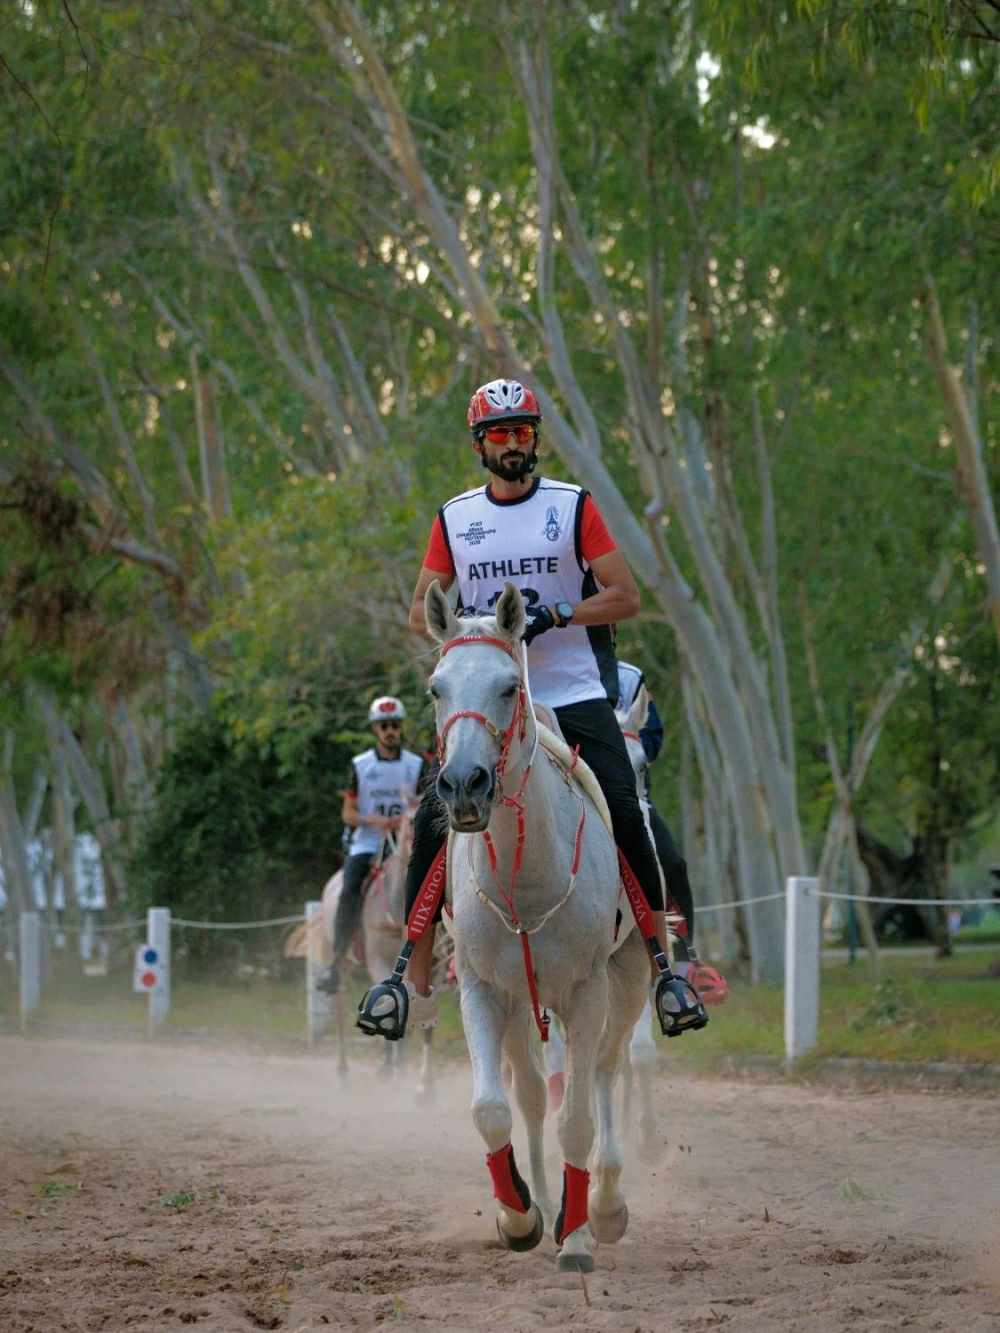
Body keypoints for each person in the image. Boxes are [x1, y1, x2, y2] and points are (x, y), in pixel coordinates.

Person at [357, 377, 708, 1039]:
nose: (513, 444)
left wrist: (561, 612)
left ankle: (665, 969)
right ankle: (411, 976)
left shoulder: (574, 507)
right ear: (480, 444)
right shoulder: (455, 518)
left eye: (522, 431)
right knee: (434, 817)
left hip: (569, 690)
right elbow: (417, 610)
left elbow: (625, 595)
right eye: (499, 434)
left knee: (628, 812)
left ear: (535, 438)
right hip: (485, 700)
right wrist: (469, 630)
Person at [617, 660, 727, 1004]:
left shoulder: (629, 676)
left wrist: (624, 745)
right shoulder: (542, 663)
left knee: (673, 865)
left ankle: (682, 965)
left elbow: (652, 734)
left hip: (630, 795)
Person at [317, 696, 427, 995]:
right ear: (375, 729)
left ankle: (445, 957)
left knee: (435, 881)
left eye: (394, 725)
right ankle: (337, 962)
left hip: (404, 844)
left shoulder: (416, 765)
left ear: (400, 728)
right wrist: (373, 819)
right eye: (383, 726)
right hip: (368, 843)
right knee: (350, 888)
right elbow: (347, 813)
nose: (389, 731)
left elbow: (425, 806)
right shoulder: (360, 766)